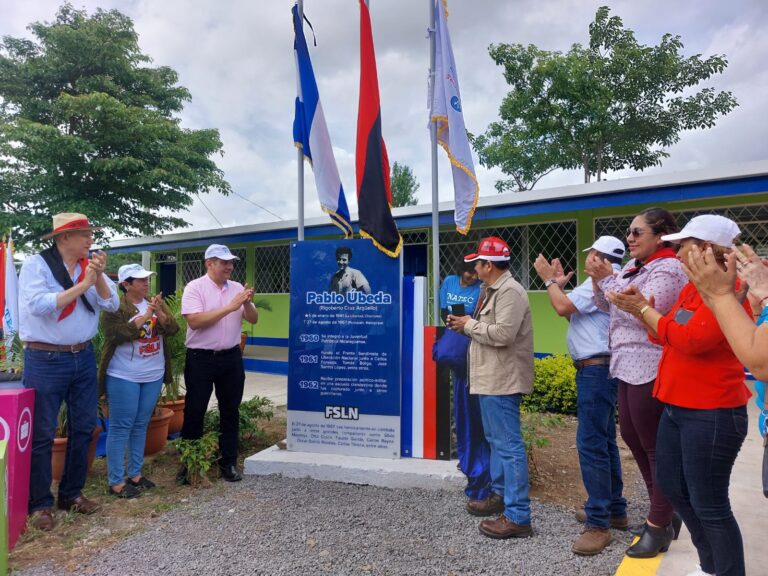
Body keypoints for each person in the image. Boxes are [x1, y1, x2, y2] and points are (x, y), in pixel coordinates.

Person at [608, 215, 750, 576]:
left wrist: (645, 311)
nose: (678, 251)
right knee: (673, 485)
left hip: (712, 413)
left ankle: (726, 570)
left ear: (706, 251)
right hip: (677, 407)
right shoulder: (692, 290)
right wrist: (648, 313)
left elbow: (691, 339)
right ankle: (710, 566)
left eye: (684, 245)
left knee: (710, 503)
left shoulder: (728, 293)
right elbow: (665, 333)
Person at [584, 207, 687, 558]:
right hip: (626, 362)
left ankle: (657, 524)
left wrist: (608, 280)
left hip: (651, 361)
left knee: (655, 445)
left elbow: (640, 307)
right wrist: (601, 280)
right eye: (629, 231)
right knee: (633, 437)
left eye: (637, 232)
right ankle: (666, 511)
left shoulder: (669, 268)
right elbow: (606, 303)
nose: (629, 237)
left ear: (660, 236)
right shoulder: (632, 267)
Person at [18, 212, 119, 531]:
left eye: (91, 233)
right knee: (43, 432)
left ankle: (71, 494)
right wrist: (83, 285)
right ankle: (40, 504)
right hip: (45, 358)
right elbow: (39, 305)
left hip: (82, 356)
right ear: (64, 238)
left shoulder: (89, 268)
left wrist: (98, 277)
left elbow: (113, 305)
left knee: (84, 427)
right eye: (83, 234)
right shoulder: (38, 265)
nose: (91, 239)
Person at [533, 236, 627, 556]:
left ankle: (599, 522)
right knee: (603, 440)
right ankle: (614, 509)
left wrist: (548, 280)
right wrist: (557, 284)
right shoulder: (600, 283)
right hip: (599, 370)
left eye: (592, 255)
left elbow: (560, 306)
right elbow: (567, 311)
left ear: (602, 258)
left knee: (591, 444)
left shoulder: (598, 283)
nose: (587, 260)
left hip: (596, 371)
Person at [447, 236, 534, 539]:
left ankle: (518, 515)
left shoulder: (510, 292)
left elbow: (503, 334)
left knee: (508, 446)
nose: (474, 268)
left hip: (502, 380)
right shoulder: (491, 290)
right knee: (497, 442)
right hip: (489, 378)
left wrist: (468, 325)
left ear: (488, 265)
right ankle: (500, 495)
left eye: (478, 263)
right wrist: (466, 324)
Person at [177, 244, 259, 483]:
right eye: (224, 262)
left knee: (230, 410)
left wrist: (245, 303)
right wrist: (230, 306)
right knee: (195, 410)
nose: (230, 267)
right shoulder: (195, 287)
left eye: (231, 262)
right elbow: (194, 321)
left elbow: (253, 319)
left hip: (231, 358)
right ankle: (189, 463)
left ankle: (229, 463)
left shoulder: (236, 288)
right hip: (201, 358)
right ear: (209, 263)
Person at [99, 264, 179, 499]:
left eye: (147, 279)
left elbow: (172, 329)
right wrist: (144, 317)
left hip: (152, 373)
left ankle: (135, 474)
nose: (146, 283)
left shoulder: (156, 302)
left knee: (141, 423)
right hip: (123, 374)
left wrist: (159, 313)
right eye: (141, 280)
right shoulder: (115, 306)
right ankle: (115, 481)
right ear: (126, 284)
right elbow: (115, 335)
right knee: (121, 426)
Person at [438, 261, 491, 509]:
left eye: (475, 272)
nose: (471, 277)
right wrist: (456, 321)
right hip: (456, 350)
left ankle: (479, 469)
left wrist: (463, 322)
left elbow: (476, 322)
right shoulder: (449, 281)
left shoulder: (483, 289)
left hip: (473, 353)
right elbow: (444, 312)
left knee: (474, 415)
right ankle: (468, 457)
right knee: (460, 411)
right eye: (468, 272)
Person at [685, 242, 768, 381]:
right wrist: (758, 306)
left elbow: (761, 365)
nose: (677, 254)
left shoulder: (731, 287)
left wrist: (722, 297)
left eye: (681, 246)